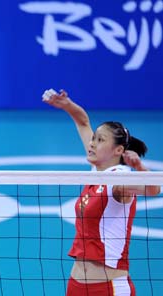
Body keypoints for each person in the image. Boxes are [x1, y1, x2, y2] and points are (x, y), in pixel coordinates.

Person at [42, 88, 161, 295]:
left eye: (100, 140)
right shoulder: (98, 171)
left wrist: (140, 169)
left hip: (108, 288)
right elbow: (83, 122)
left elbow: (153, 189)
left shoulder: (119, 179)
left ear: (118, 151)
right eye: (93, 139)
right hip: (76, 286)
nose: (92, 144)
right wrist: (67, 105)